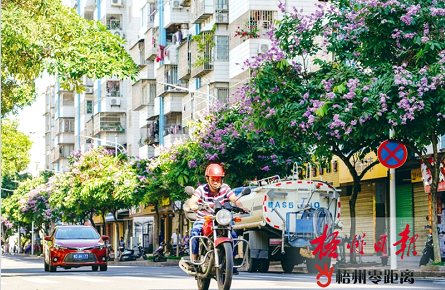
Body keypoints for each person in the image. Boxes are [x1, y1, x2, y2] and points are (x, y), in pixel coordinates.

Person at [188, 164, 249, 274]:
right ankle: (194, 260)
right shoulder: (201, 189)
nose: (216, 182)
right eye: (213, 179)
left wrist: (241, 207)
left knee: (234, 237)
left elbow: (234, 199)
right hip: (204, 219)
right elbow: (192, 200)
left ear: (222, 179)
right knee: (195, 233)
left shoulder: (225, 188)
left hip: (221, 219)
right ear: (207, 179)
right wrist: (193, 205)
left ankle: (230, 262)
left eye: (218, 179)